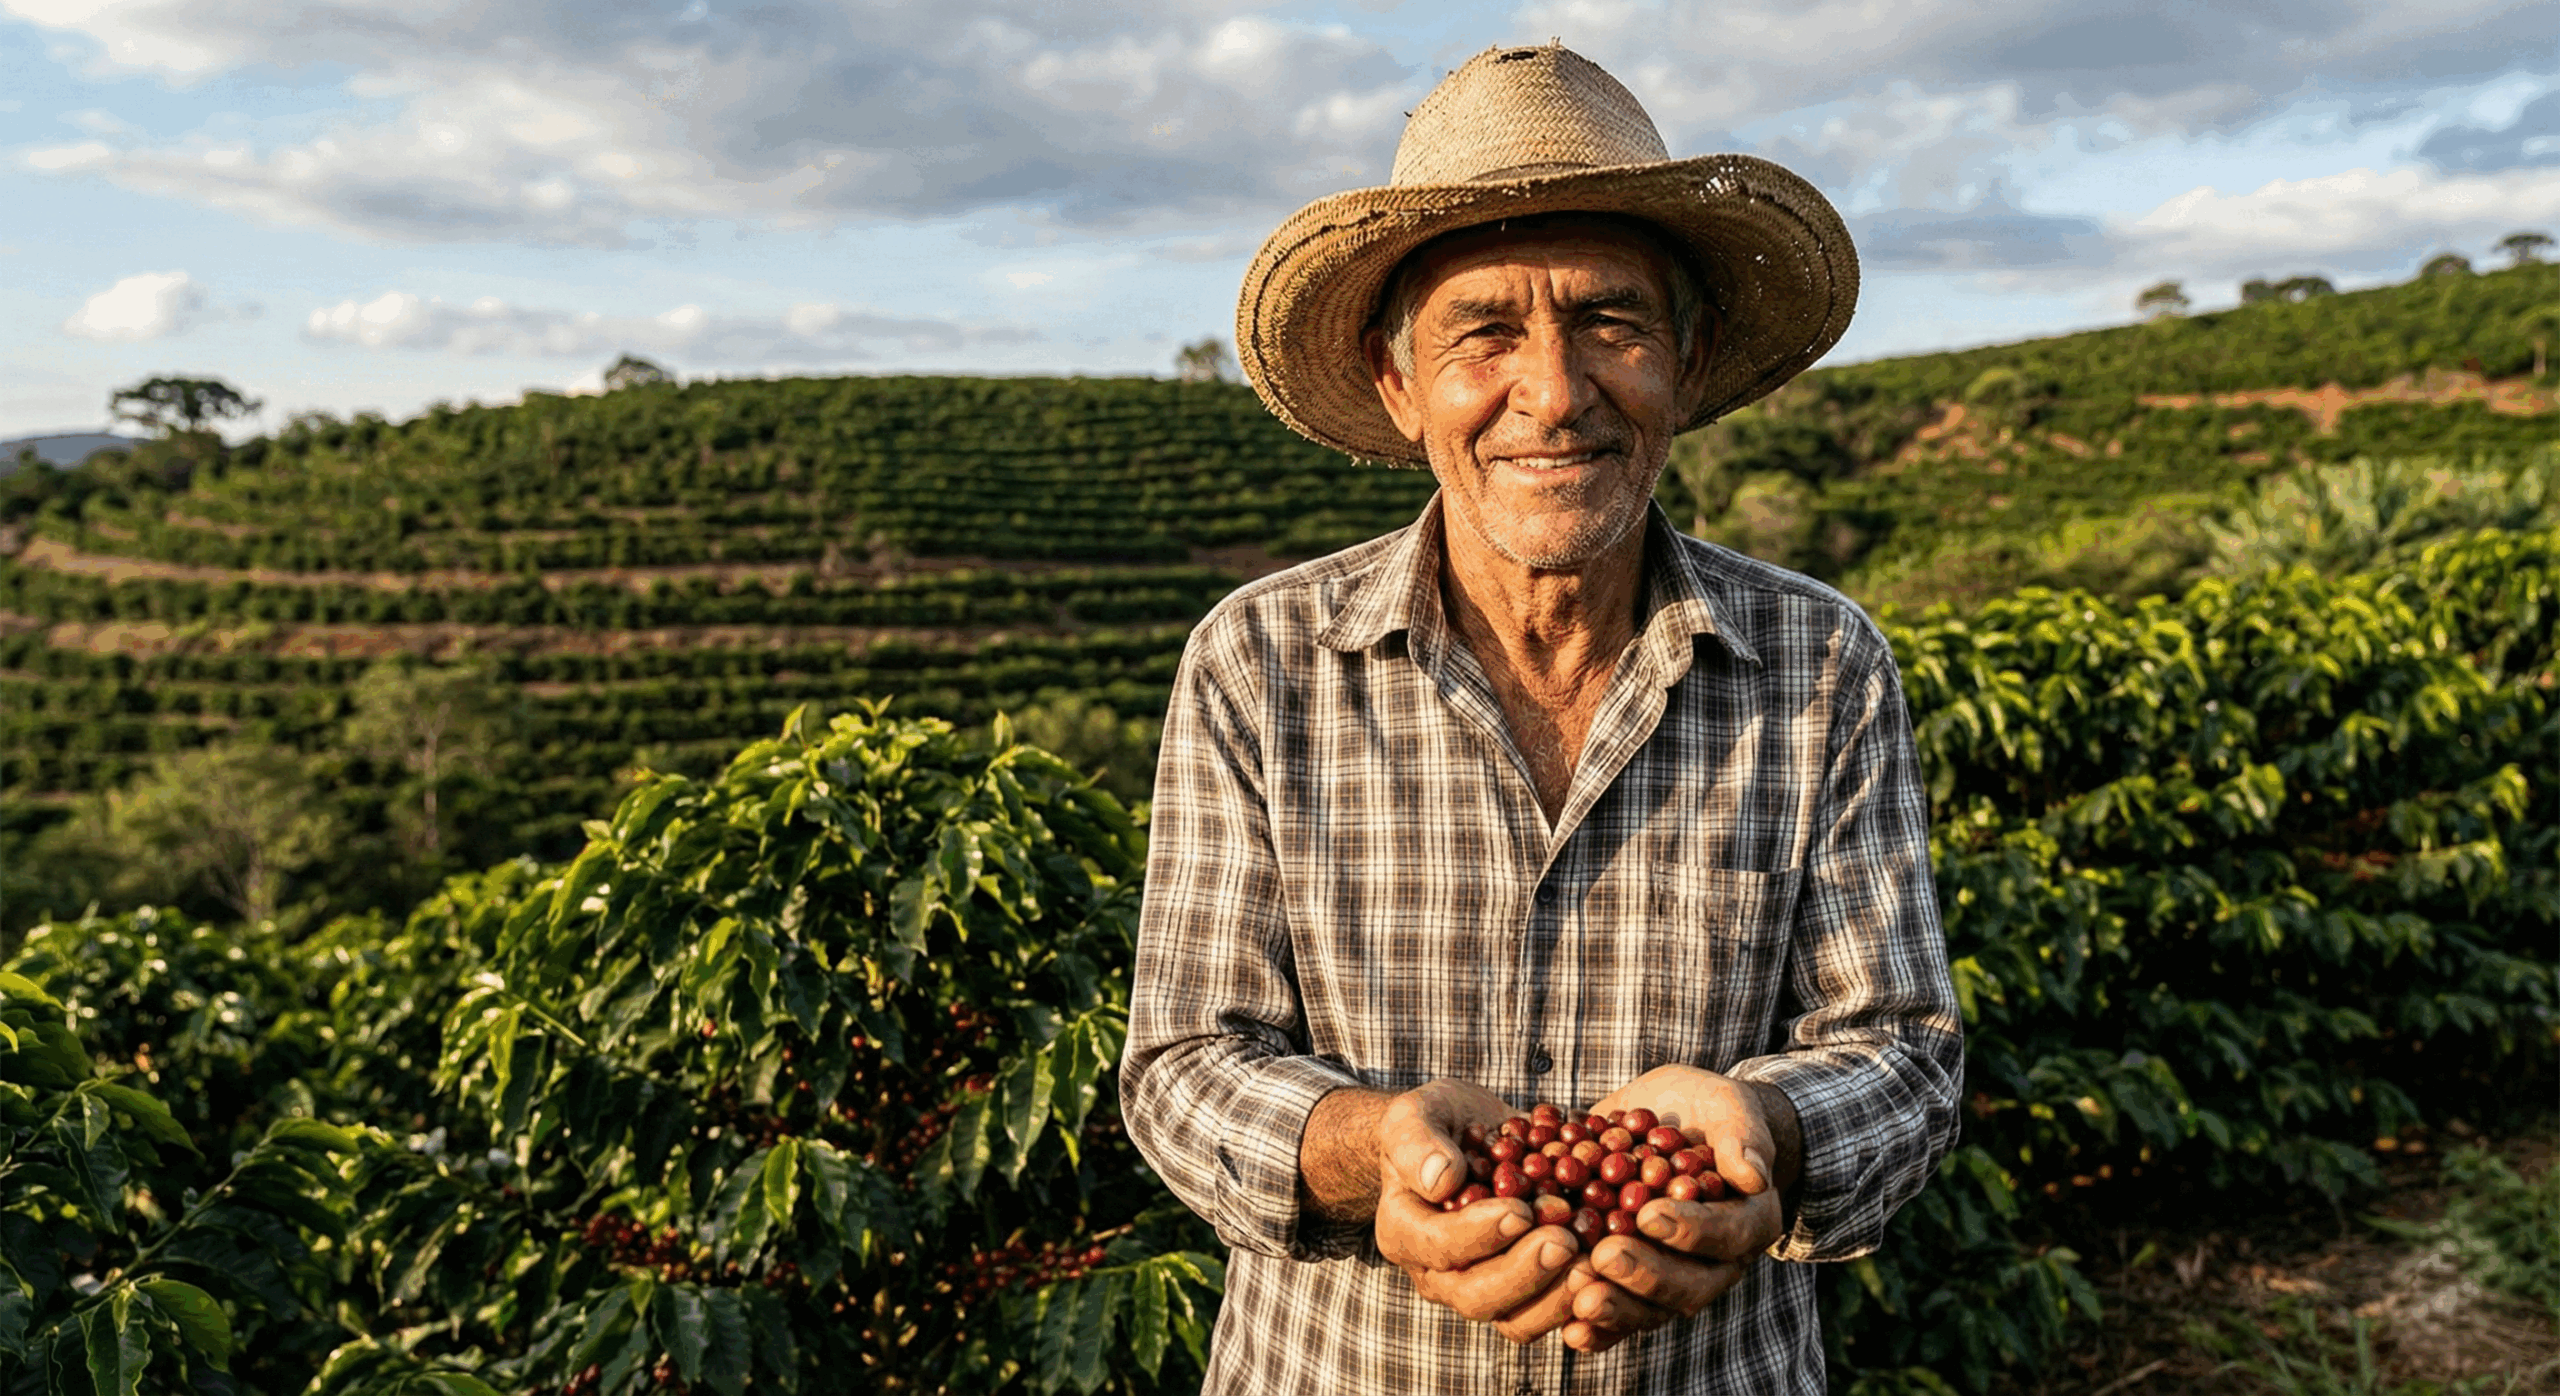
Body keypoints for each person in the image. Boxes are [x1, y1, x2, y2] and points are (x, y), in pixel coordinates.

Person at [1120, 43, 1962, 1394]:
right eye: (1485, 334)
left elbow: (1908, 1057)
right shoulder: (1261, 662)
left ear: (1685, 363)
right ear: (1402, 389)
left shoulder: (1821, 666)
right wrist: (1368, 1144)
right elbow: (1180, 1064)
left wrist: (1764, 1133)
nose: (1556, 391)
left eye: (1611, 324)